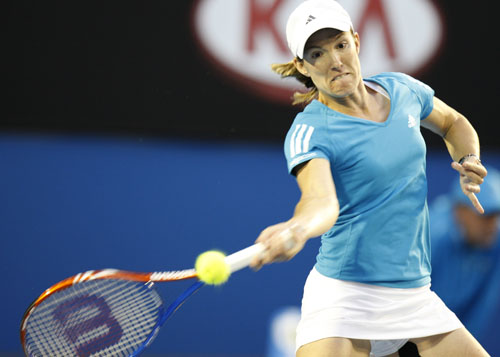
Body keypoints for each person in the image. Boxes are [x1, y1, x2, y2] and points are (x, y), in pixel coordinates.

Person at [248, 0, 489, 356]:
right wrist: (297, 229)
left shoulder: (403, 90)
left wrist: (469, 158)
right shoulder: (310, 130)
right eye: (317, 54)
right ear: (302, 65)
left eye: (340, 45)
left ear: (356, 41)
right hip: (346, 297)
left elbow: (453, 123)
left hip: (414, 292)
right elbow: (320, 201)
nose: (335, 61)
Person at [430, 167, 500, 355]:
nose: (493, 226)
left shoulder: (495, 241)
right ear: (460, 211)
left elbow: (482, 305)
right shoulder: (431, 236)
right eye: (485, 216)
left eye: (497, 217)